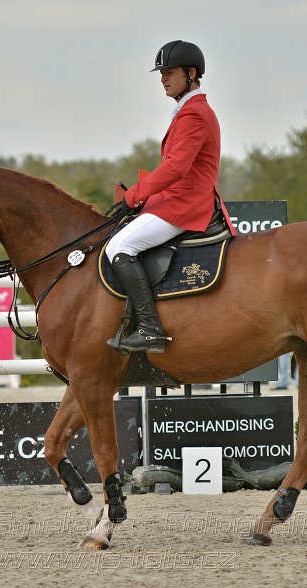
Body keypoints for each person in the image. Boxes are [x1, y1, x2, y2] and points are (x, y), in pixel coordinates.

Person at [106, 40, 236, 353]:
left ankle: (150, 328)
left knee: (118, 246)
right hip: (176, 200)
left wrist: (134, 196)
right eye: (161, 73)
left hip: (184, 205)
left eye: (170, 72)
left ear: (191, 74)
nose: (163, 78)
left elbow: (176, 167)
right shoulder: (187, 111)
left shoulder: (194, 114)